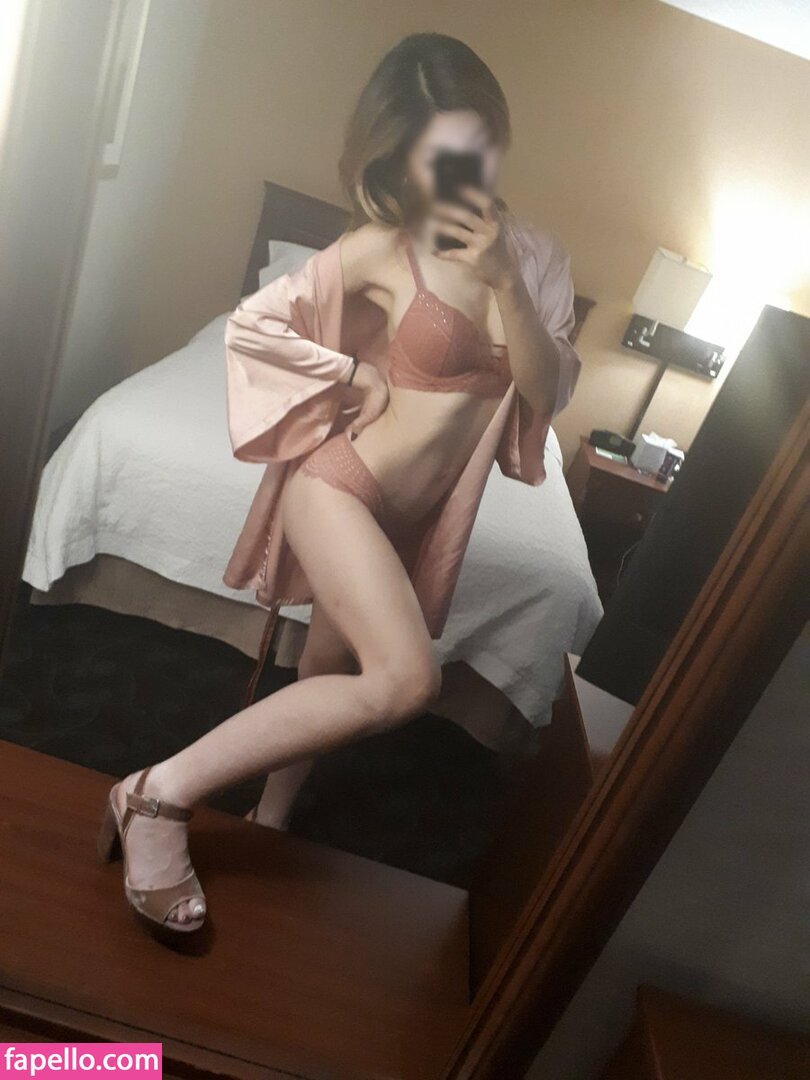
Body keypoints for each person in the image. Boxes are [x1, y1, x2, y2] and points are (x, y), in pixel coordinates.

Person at [98, 32, 581, 938]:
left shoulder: (538, 261)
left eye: (481, 143)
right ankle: (156, 794)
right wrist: (353, 377)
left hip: (418, 516)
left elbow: (546, 390)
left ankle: (272, 815)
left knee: (328, 665)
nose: (466, 169)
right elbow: (254, 327)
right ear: (403, 159)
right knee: (402, 679)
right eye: (442, 153)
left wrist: (506, 282)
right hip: (342, 485)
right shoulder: (382, 246)